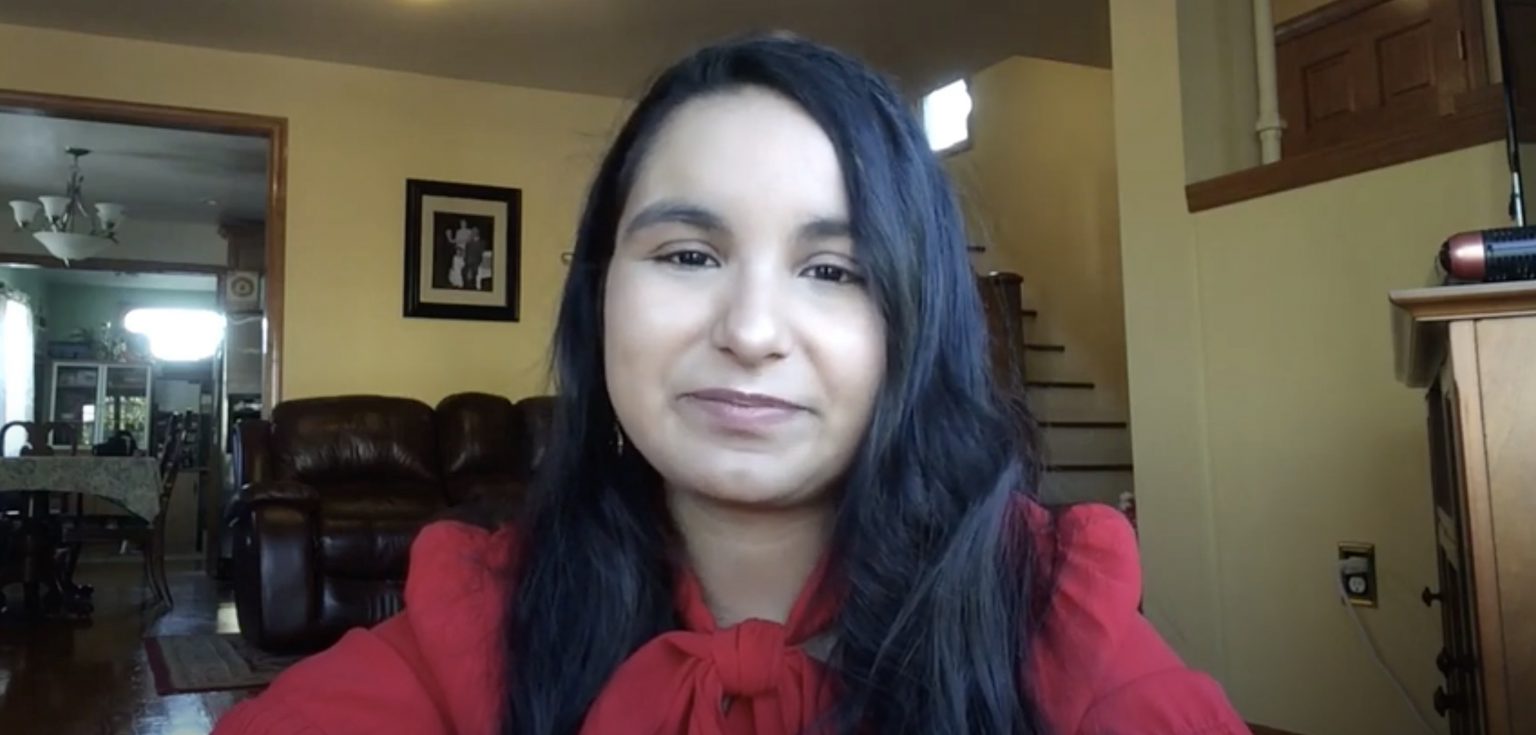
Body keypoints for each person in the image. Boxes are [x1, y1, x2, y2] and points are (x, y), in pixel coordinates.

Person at [215, 35, 1246, 735]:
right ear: (600, 298)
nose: (751, 332)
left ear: (915, 323)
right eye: (688, 255)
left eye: (833, 271)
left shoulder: (1056, 623)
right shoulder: (478, 627)